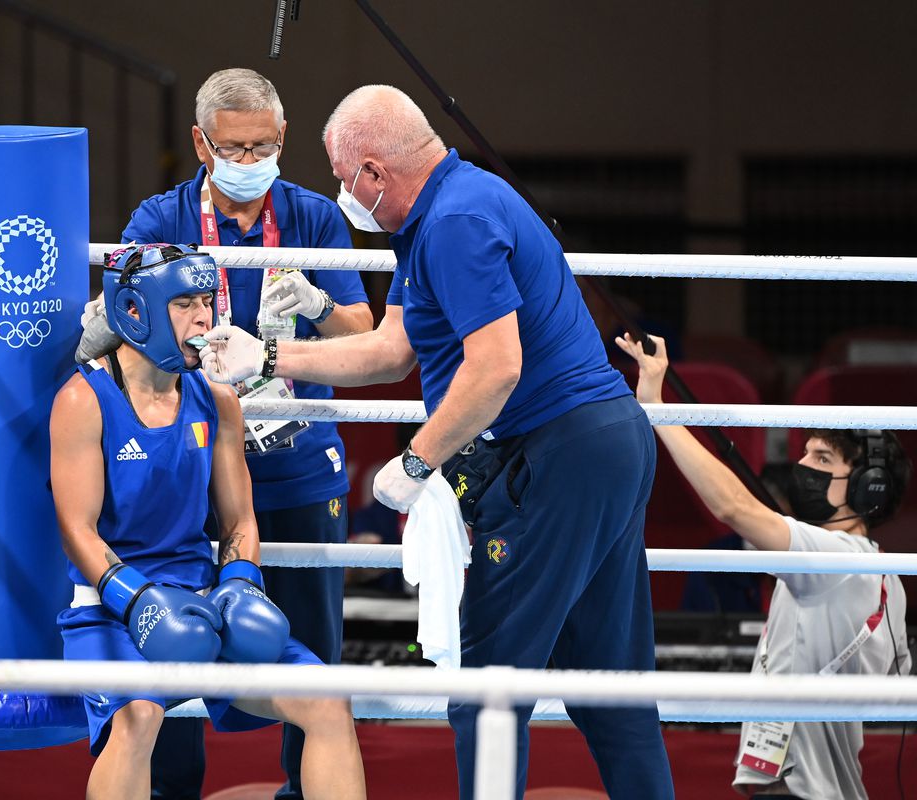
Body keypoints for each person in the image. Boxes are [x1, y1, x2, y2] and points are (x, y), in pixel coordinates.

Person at [199, 84, 674, 799]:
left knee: (487, 689)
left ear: (374, 174)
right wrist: (269, 359)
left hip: (558, 453)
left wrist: (420, 459)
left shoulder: (455, 221)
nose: (340, 193)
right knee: (609, 688)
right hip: (604, 445)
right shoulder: (443, 213)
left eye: (341, 176)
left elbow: (498, 366)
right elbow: (393, 350)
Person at [77, 67, 372, 800]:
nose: (249, 161)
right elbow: (119, 318)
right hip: (186, 457)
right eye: (233, 148)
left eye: (263, 145)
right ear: (200, 144)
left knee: (304, 648)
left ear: (284, 138)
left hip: (295, 452)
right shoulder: (160, 217)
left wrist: (313, 296)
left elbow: (363, 331)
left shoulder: (314, 218)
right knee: (170, 638)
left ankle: (302, 792)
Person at [51, 243, 366, 800]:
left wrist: (241, 581)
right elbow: (78, 529)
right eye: (184, 304)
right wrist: (137, 598)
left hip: (205, 600)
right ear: (135, 310)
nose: (205, 318)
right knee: (139, 718)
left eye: (207, 300)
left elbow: (239, 516)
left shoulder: (216, 397)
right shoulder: (85, 400)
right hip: (110, 610)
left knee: (327, 699)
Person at [617, 332, 912, 800]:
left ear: (866, 488)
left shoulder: (836, 561)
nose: (801, 465)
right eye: (804, 452)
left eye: (822, 458)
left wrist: (658, 411)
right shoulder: (886, 578)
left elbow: (735, 507)